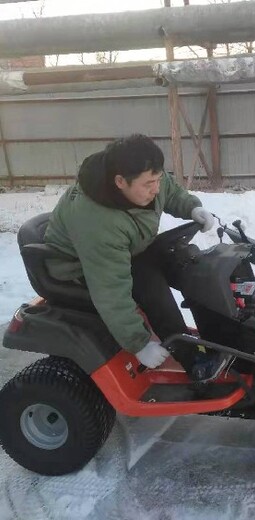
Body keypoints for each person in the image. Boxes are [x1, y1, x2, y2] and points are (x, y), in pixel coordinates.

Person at [44, 134, 229, 382]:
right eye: (149, 183)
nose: (155, 187)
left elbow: (169, 192)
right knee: (150, 283)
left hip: (124, 250)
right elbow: (109, 290)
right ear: (120, 182)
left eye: (158, 179)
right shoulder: (98, 222)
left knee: (189, 261)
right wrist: (139, 344)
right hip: (79, 268)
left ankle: (224, 334)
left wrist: (192, 208)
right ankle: (193, 360)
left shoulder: (141, 177)